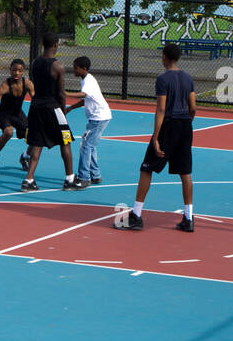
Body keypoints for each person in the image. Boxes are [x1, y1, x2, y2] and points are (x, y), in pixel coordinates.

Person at [123, 42, 196, 232]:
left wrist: (156, 137)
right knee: (185, 173)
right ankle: (189, 218)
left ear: (165, 56)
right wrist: (187, 122)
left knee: (146, 168)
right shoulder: (188, 78)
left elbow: (161, 108)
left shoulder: (163, 79)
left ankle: (136, 215)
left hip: (169, 125)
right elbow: (193, 107)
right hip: (185, 125)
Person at [22, 32, 77, 192]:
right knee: (65, 141)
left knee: (37, 143)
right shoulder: (57, 65)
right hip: (52, 108)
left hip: (36, 107)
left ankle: (29, 179)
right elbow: (61, 93)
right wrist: (63, 111)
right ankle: (69, 179)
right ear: (56, 45)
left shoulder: (35, 62)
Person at [66, 56, 112, 190]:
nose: (74, 70)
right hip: (99, 117)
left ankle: (84, 178)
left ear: (84, 69)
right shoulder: (85, 80)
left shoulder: (88, 81)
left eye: (76, 68)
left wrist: (66, 94)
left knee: (85, 145)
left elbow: (83, 95)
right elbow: (86, 99)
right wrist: (70, 108)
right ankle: (95, 175)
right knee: (89, 146)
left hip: (99, 118)